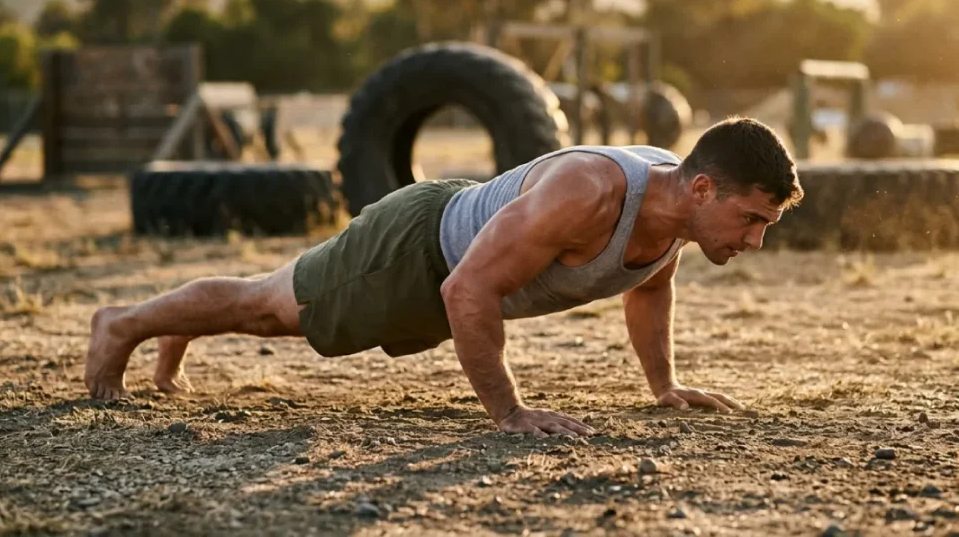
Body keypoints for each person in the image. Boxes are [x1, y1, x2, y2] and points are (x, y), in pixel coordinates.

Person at [84, 116, 804, 438]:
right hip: (420, 246)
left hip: (455, 238)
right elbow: (466, 290)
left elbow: (649, 285)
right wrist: (509, 413)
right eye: (751, 220)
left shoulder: (676, 210)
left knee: (270, 301)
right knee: (274, 311)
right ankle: (124, 325)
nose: (755, 241)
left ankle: (171, 332)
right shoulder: (591, 191)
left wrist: (663, 387)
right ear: (704, 189)